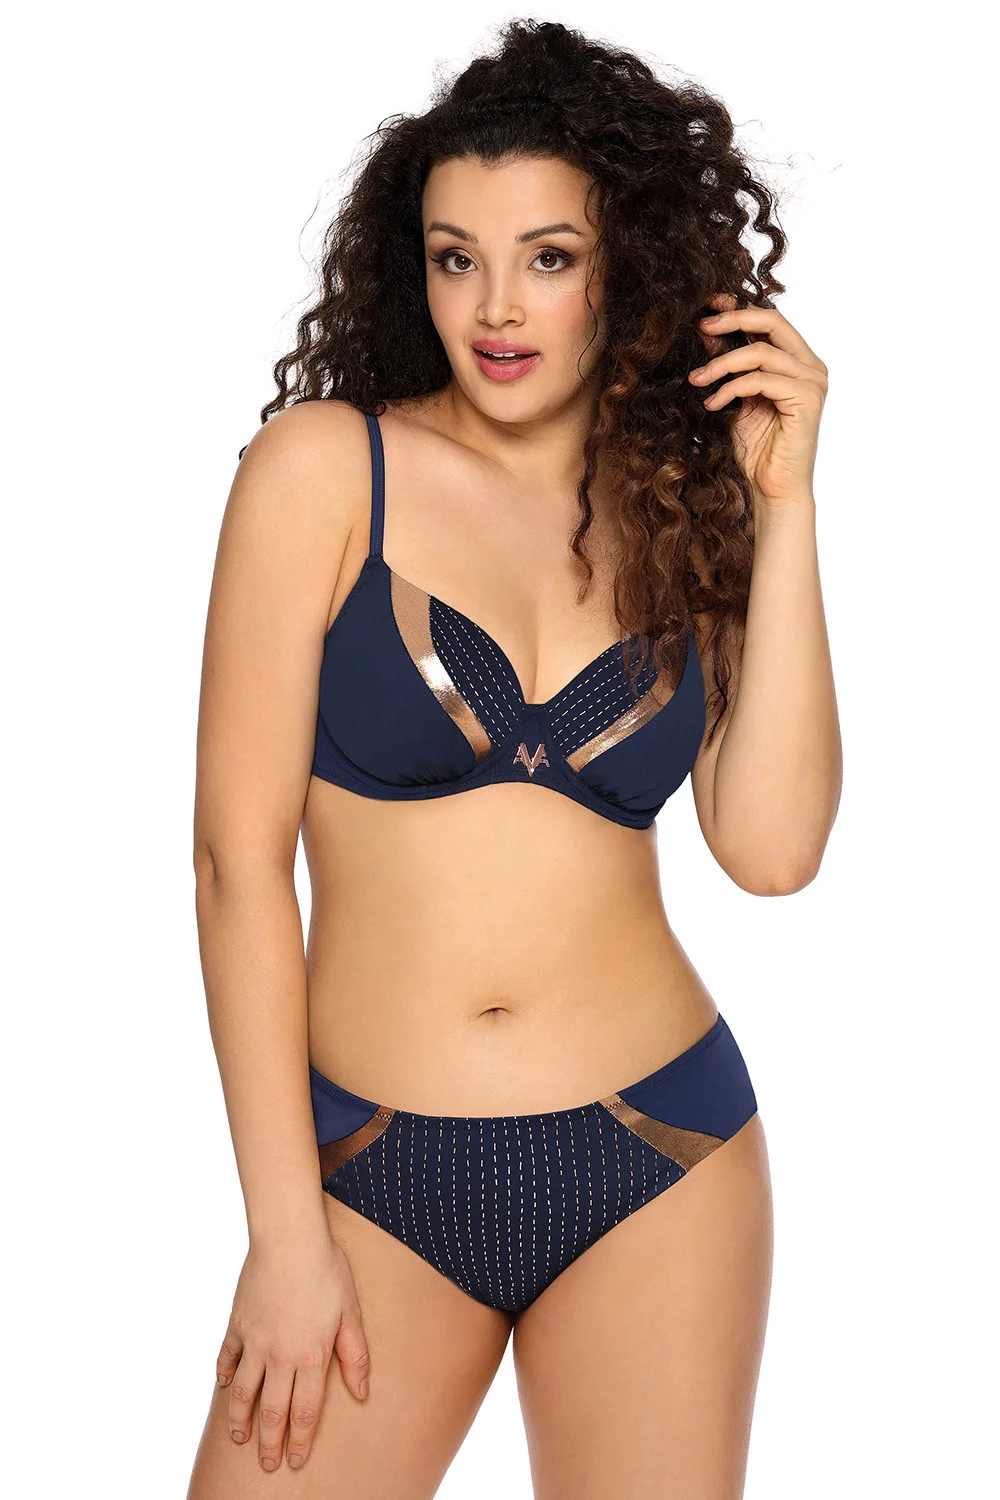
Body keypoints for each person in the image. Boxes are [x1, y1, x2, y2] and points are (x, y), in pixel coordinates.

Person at [186, 18, 840, 1498]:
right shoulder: (325, 470)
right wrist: (284, 1235)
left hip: (662, 1157)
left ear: (630, 265)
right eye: (455, 256)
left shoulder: (684, 508)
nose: (495, 306)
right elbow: (235, 866)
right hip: (371, 1174)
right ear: (410, 267)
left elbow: (773, 850)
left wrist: (786, 508)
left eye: (549, 256)